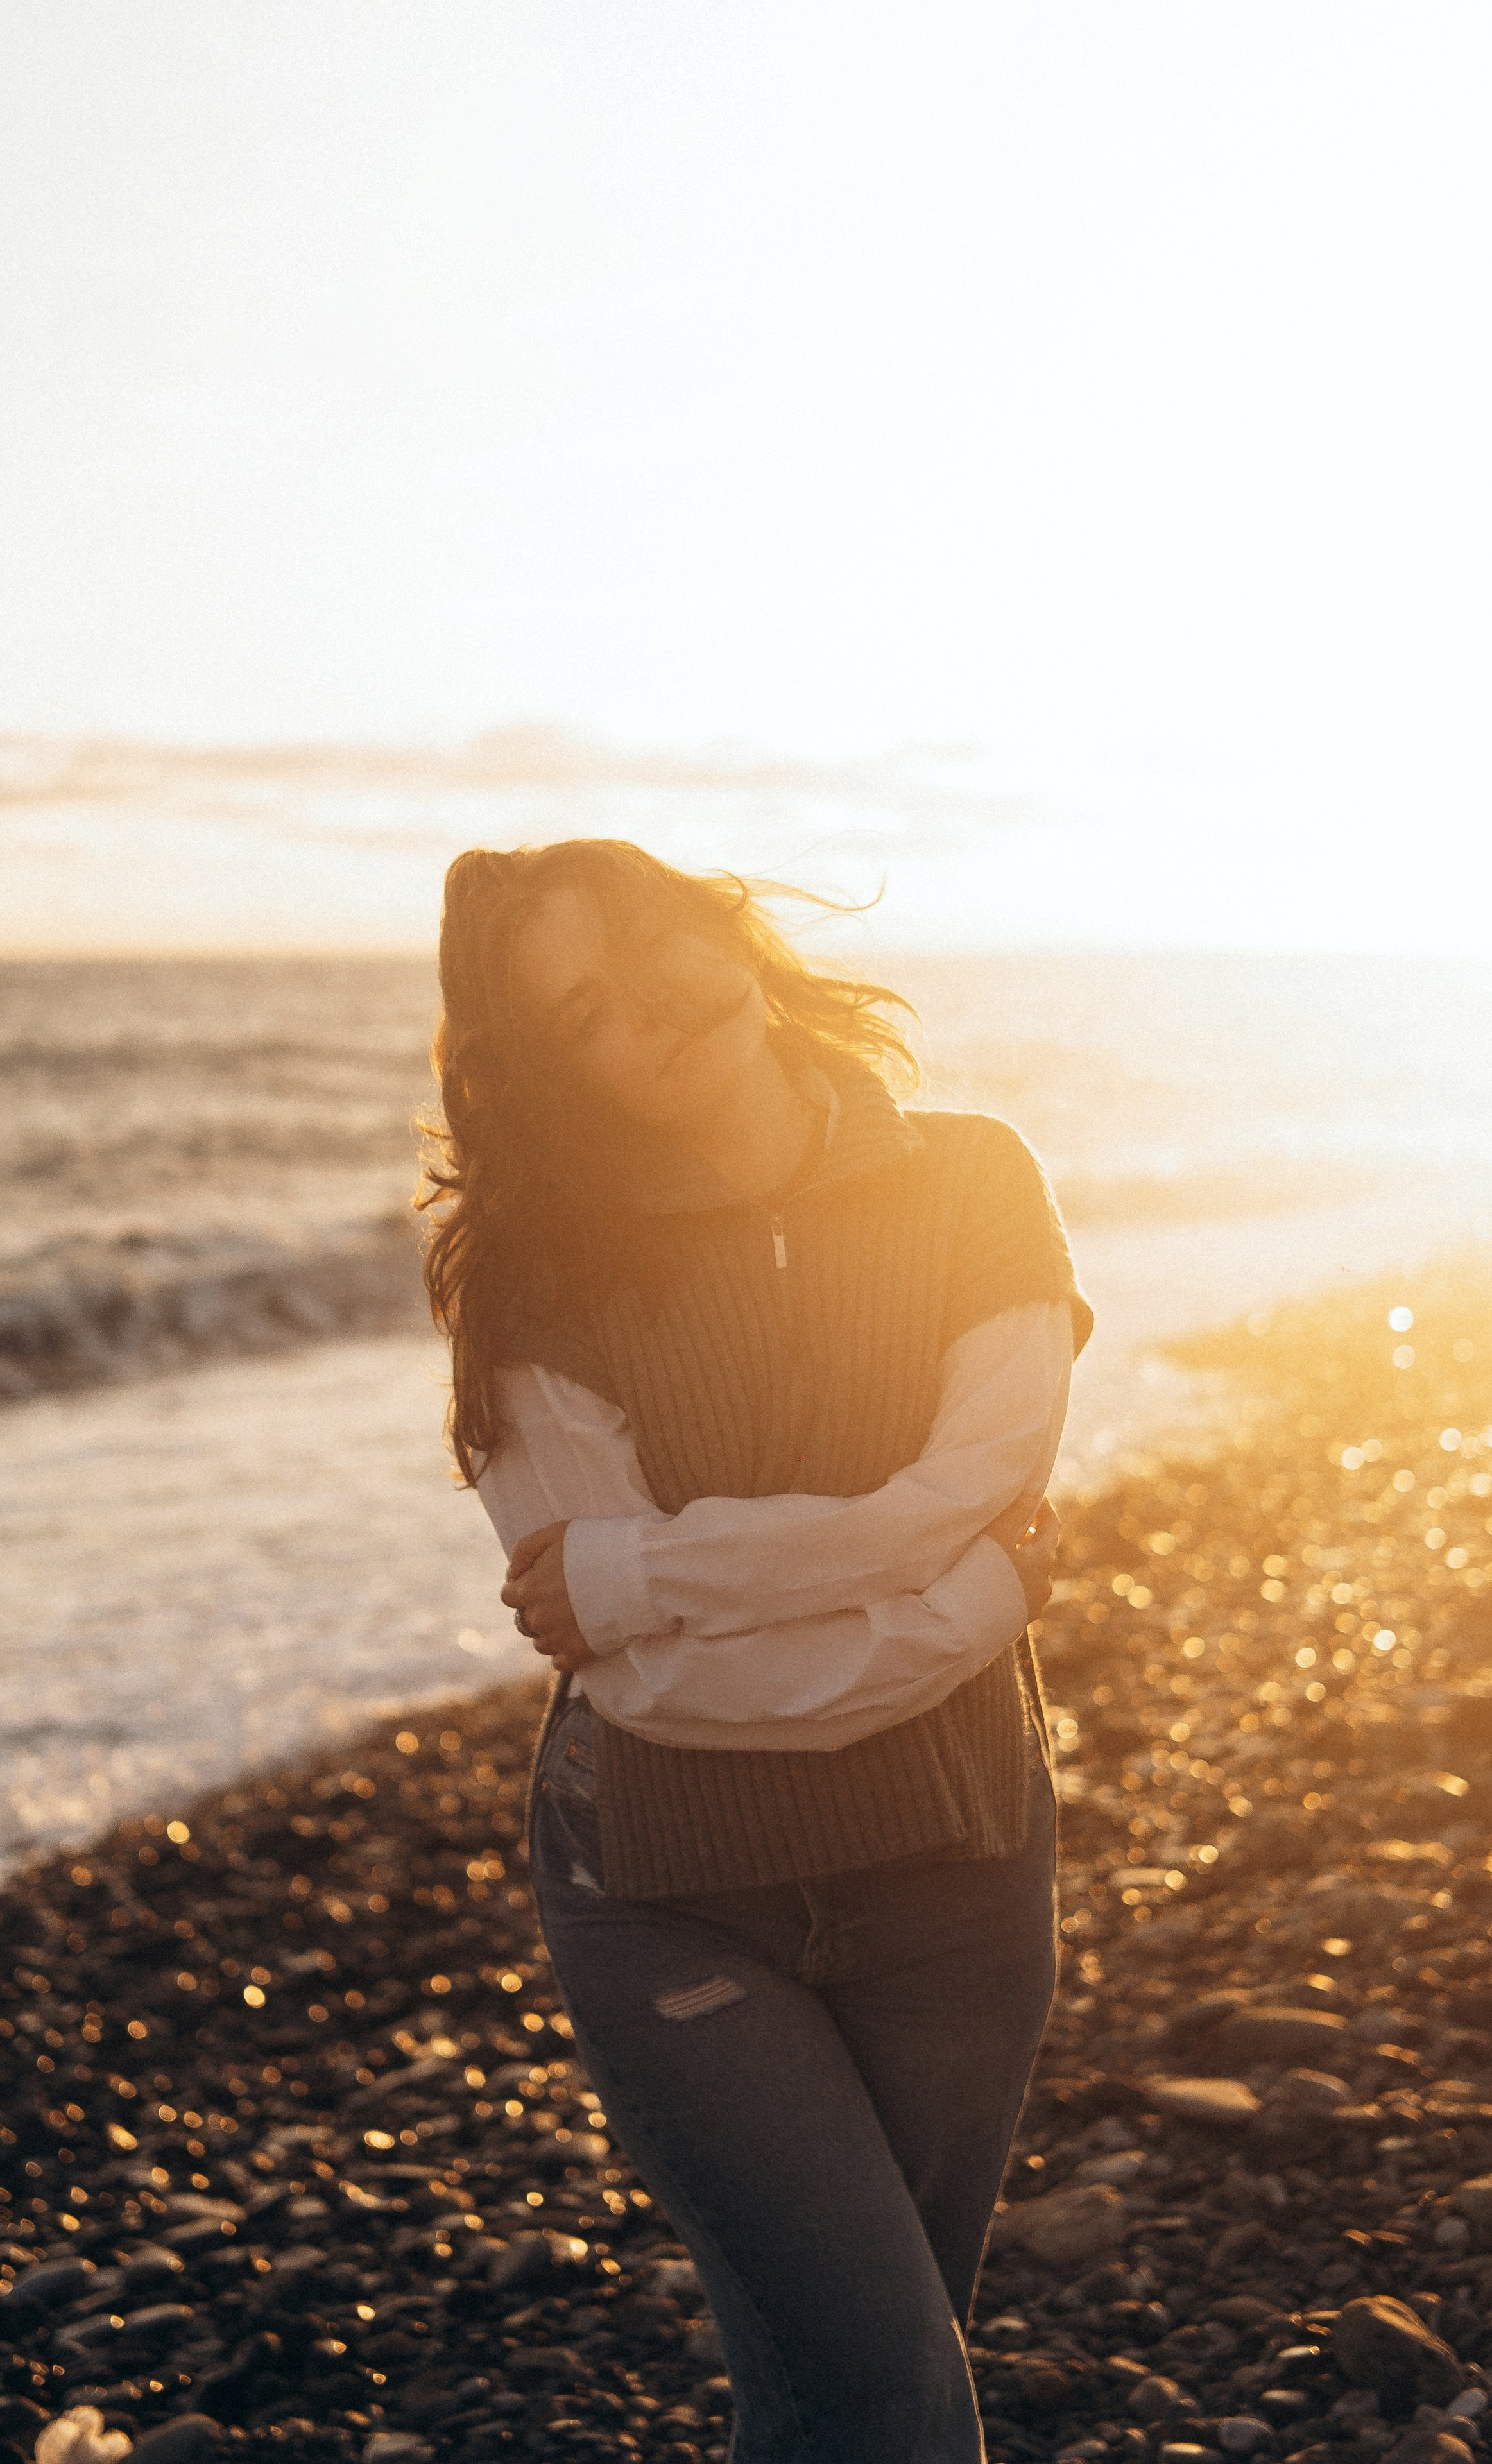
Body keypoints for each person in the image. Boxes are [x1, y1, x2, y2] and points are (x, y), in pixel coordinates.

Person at [416, 838, 1092, 2464]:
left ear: (721, 927)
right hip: (671, 1888)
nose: (646, 1015)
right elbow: (665, 1687)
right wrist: (976, 1588)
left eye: (647, 954)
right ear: (546, 1072)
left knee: (859, 2375)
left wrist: (637, 1566)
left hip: (955, 1861)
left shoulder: (970, 1178)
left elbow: (979, 1480)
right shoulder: (532, 1277)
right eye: (582, 1013)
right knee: (888, 2400)